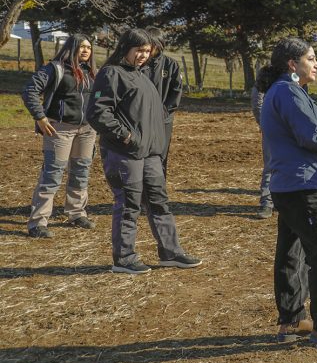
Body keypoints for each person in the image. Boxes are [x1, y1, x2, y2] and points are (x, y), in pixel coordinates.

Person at [257, 37, 317, 351]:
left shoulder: (286, 92)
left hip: (291, 183)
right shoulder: (287, 92)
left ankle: (293, 316)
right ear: (292, 64)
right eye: (310, 59)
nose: (316, 65)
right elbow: (313, 136)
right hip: (303, 185)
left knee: (292, 250)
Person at [87, 28, 202, 274]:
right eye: (138, 50)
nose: (143, 55)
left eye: (147, 51)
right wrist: (126, 136)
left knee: (159, 201)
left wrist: (157, 146)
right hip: (125, 153)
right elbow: (98, 113)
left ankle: (170, 252)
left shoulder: (141, 75)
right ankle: (124, 257)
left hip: (150, 154)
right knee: (129, 204)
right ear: (125, 48)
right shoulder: (111, 74)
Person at [21, 34, 99, 237]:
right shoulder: (55, 69)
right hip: (59, 129)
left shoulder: (92, 72)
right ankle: (38, 223)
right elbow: (30, 90)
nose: (85, 50)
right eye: (81, 47)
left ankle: (76, 213)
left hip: (87, 130)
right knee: (52, 174)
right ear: (71, 48)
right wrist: (40, 117)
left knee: (81, 172)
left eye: (88, 47)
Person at [143, 28, 183, 177]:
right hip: (140, 121)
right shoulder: (138, 64)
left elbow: (176, 92)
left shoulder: (171, 65)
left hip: (163, 121)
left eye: (152, 44)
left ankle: (157, 194)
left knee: (160, 157)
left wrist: (163, 112)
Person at [251, 83, 273, 219]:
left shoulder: (297, 77)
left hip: (293, 130)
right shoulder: (268, 76)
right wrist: (265, 123)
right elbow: (257, 100)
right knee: (271, 166)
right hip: (273, 130)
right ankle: (267, 202)